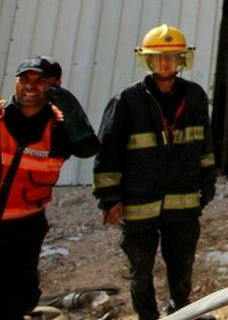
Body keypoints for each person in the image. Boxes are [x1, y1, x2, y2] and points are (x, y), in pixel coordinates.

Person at [93, 24, 216, 320]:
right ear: (147, 60)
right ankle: (148, 317)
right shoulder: (127, 100)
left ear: (182, 60)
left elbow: (205, 144)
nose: (165, 63)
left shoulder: (195, 97)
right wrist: (110, 199)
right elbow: (108, 153)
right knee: (141, 270)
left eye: (171, 57)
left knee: (182, 267)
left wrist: (208, 182)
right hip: (139, 206)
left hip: (183, 204)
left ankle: (180, 312)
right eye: (158, 57)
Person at [0, 56, 99, 318]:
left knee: (20, 297)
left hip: (25, 227)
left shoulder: (59, 129)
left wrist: (72, 108)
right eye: (24, 79)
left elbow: (88, 148)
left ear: (55, 86)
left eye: (40, 80)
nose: (30, 86)